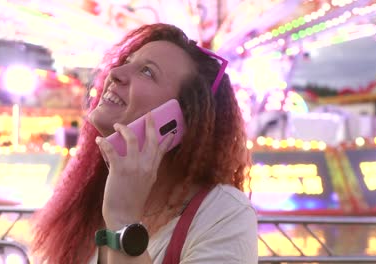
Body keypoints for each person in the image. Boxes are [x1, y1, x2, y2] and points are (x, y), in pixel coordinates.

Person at [31, 23, 258, 263]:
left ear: (178, 120)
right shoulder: (91, 196)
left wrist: (123, 221)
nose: (116, 73)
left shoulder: (223, 213)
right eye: (127, 61)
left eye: (147, 72)